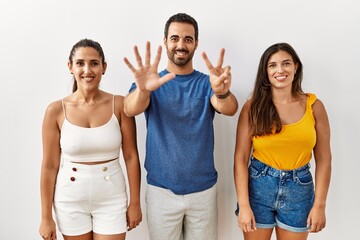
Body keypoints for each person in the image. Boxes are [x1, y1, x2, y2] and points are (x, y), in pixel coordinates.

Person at [123, 13, 238, 240]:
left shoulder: (207, 83)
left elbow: (230, 107)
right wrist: (144, 89)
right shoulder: (151, 82)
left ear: (196, 43)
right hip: (160, 191)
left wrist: (221, 91)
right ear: (165, 41)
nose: (181, 45)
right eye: (175, 38)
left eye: (188, 39)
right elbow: (130, 108)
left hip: (203, 192)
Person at [39, 39, 142, 240]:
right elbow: (49, 166)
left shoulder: (120, 105)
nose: (87, 69)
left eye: (94, 63)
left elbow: (131, 156)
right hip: (70, 199)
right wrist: (45, 217)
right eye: (80, 63)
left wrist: (135, 202)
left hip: (112, 198)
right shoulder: (55, 111)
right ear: (70, 67)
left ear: (104, 67)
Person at [234, 42, 331, 240]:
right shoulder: (252, 107)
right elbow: (240, 158)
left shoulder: (315, 106)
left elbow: (325, 160)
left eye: (286, 63)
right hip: (259, 187)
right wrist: (244, 205)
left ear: (296, 66)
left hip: (300, 190)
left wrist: (319, 205)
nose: (280, 70)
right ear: (266, 71)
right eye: (272, 65)